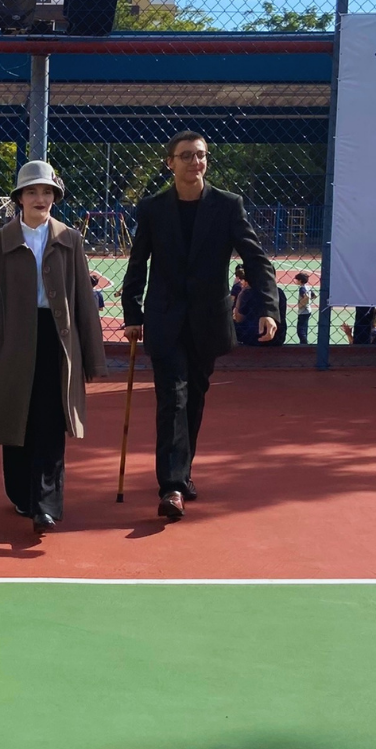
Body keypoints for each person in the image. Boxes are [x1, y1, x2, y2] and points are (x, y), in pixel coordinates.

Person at [121, 130, 278, 521]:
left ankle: (183, 470)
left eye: (201, 155)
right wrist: (132, 314)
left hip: (208, 320)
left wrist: (268, 308)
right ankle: (172, 487)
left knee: (194, 398)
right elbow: (138, 263)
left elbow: (256, 259)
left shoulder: (228, 205)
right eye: (187, 155)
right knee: (172, 398)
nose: (196, 162)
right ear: (170, 163)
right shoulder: (153, 208)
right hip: (165, 318)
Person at [0, 161, 106, 532]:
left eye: (47, 192)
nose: (40, 198)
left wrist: (93, 357)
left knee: (50, 418)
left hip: (56, 340)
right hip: (12, 340)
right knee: (16, 417)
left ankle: (46, 504)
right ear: (19, 198)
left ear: (55, 197)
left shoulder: (70, 240)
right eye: (32, 192)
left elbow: (83, 300)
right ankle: (21, 493)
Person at [235, 279, 288, 346]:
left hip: (252, 337)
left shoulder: (248, 292)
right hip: (277, 336)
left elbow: (239, 318)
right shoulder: (279, 292)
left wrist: (240, 295)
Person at [293, 272, 315, 345]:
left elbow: (306, 297)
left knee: (300, 330)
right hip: (308, 310)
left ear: (300, 280)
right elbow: (314, 296)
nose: (296, 281)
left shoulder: (302, 288)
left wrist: (301, 304)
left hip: (303, 311)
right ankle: (304, 343)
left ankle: (304, 343)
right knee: (304, 328)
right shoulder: (308, 287)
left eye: (297, 280)